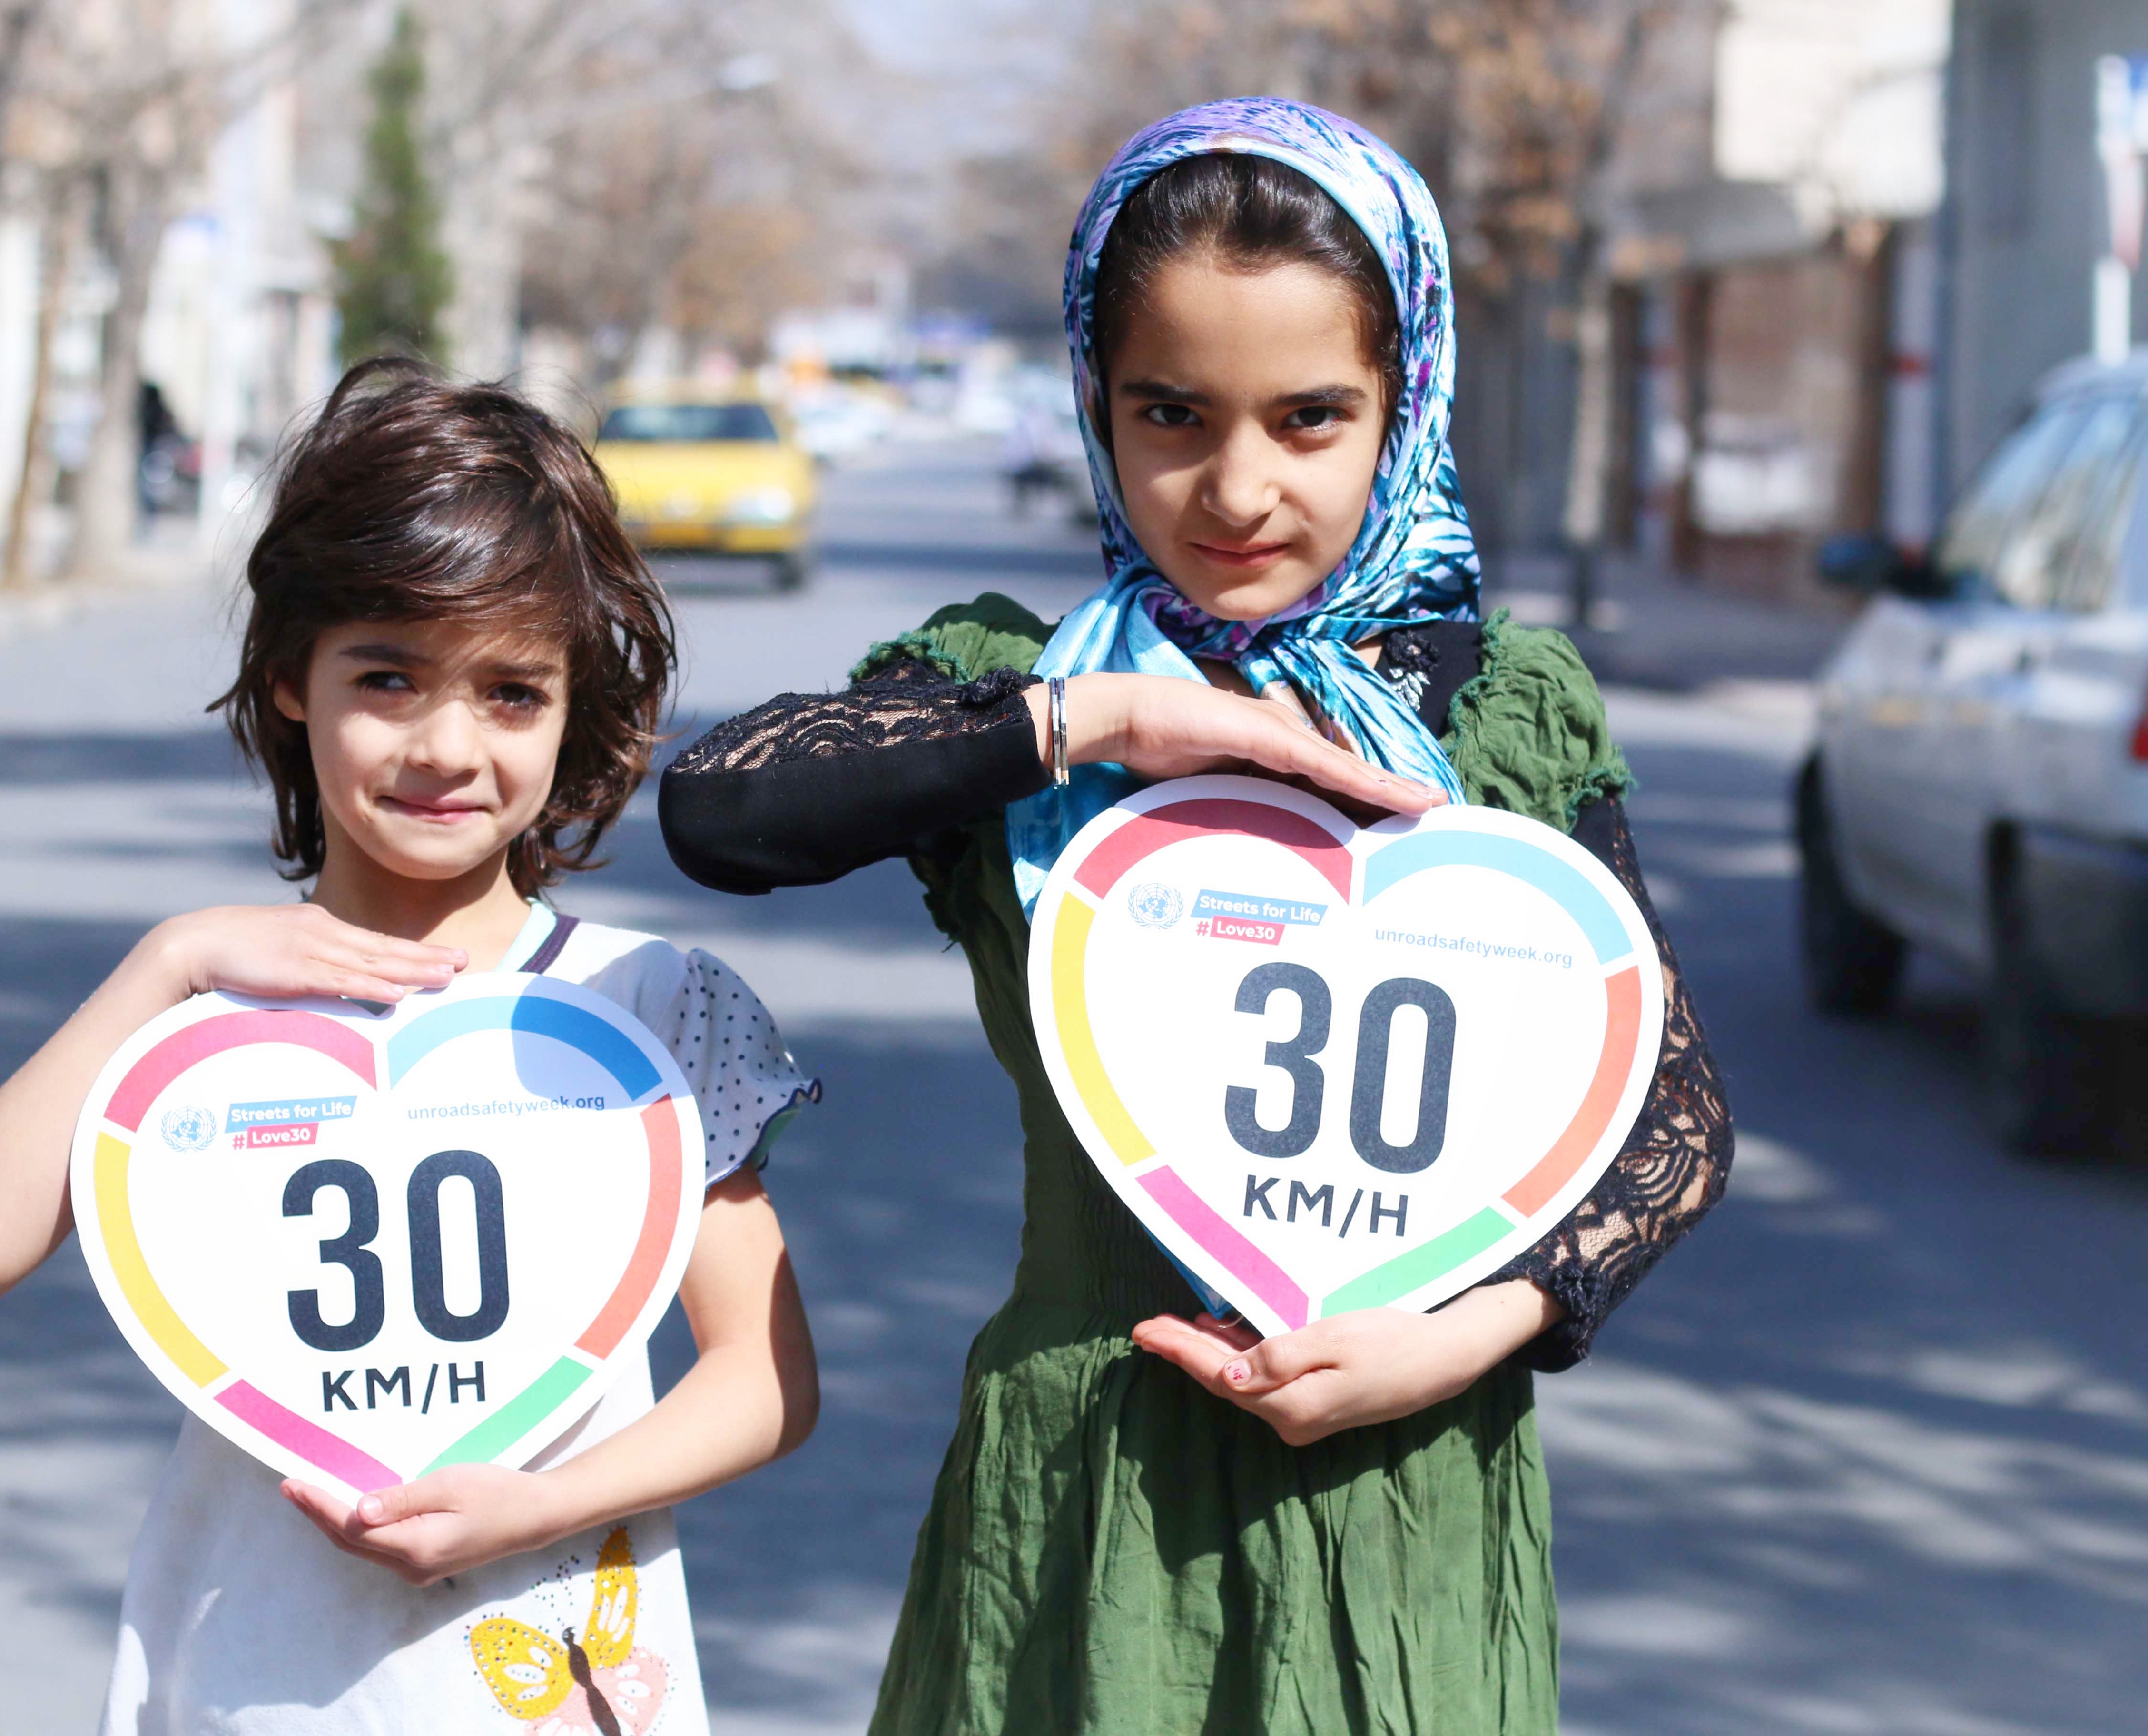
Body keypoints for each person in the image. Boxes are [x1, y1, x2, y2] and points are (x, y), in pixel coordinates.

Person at [658, 101, 1732, 1733]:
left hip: (1405, 1499)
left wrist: (1468, 1336)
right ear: (1095, 402)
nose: (1237, 488)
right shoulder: (1018, 695)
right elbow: (722, 811)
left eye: (1311, 419)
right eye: (1171, 413)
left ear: (1404, 406)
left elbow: (1675, 1109)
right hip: (1087, 1496)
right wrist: (1101, 722)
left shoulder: (1496, 713)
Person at [0, 360, 821, 1735]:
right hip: (256, 1680)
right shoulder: (209, 1014)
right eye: (388, 678)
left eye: (511, 693)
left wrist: (541, 1504)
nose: (446, 746)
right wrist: (167, 960)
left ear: (575, 706)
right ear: (292, 677)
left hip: (555, 1675)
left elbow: (763, 1376)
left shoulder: (646, 1002)